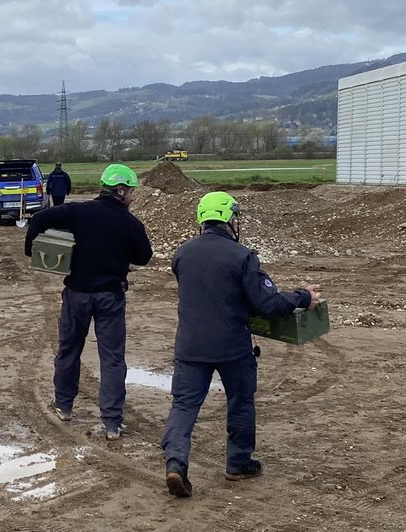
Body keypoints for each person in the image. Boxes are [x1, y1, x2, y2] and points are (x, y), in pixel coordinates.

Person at [161, 191, 321, 497]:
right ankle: (237, 463)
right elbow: (267, 303)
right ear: (229, 219)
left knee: (183, 406)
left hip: (190, 346)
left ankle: (175, 463)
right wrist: (303, 296)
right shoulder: (242, 256)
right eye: (235, 217)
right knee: (241, 401)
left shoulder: (182, 254)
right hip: (232, 347)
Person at [25, 164, 153, 440]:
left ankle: (64, 405)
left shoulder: (77, 212)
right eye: (130, 191)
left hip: (76, 295)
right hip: (111, 298)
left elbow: (37, 220)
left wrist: (31, 249)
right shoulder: (130, 223)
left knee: (69, 350)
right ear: (120, 190)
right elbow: (143, 257)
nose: (132, 196)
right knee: (112, 359)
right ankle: (112, 423)